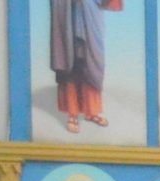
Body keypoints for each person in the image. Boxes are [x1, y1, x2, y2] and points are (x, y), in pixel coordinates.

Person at [47, 0, 113, 131]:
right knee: (71, 65)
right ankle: (72, 114)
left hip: (90, 15)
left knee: (91, 65)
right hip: (67, 13)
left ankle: (92, 111)